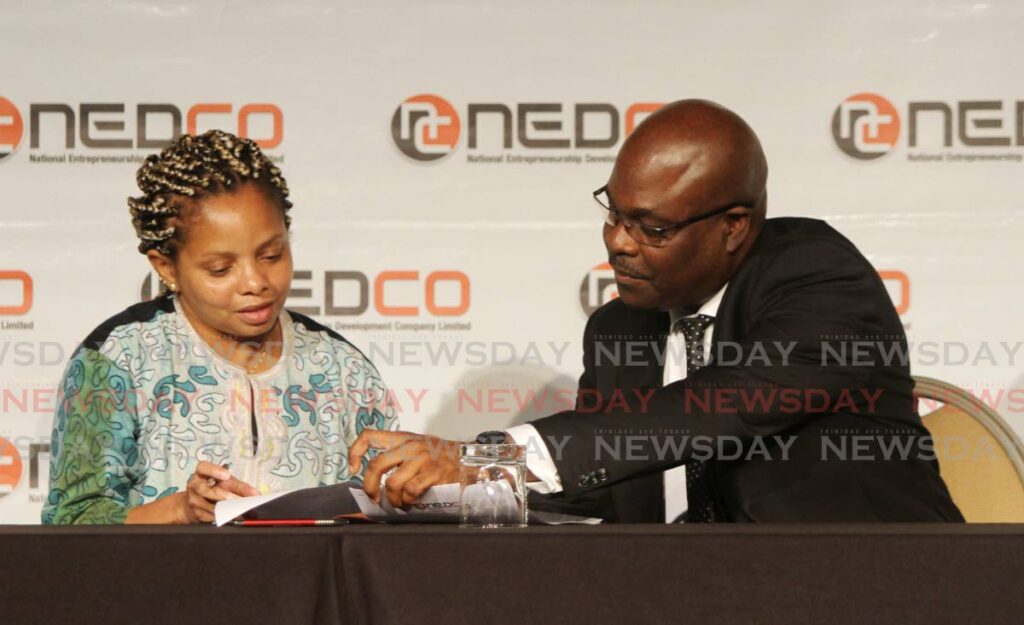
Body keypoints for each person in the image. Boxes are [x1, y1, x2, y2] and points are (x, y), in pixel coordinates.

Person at [347, 99, 963, 523]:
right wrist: (448, 489)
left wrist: (488, 454)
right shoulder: (619, 328)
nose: (618, 240)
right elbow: (599, 485)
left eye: (652, 227)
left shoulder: (815, 276)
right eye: (613, 212)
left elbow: (716, 408)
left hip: (872, 588)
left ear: (733, 226)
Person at [43, 130, 397, 524]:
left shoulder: (344, 368)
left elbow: (382, 508)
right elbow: (71, 521)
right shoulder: (116, 360)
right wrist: (179, 509)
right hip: (162, 586)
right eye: (221, 269)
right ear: (166, 266)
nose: (255, 282)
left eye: (272, 254)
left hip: (308, 585)